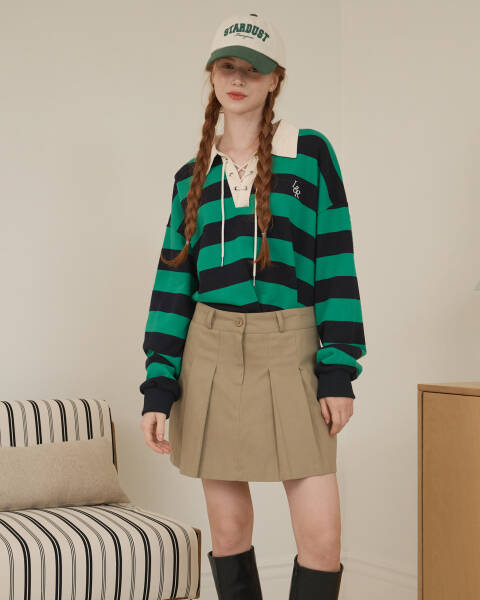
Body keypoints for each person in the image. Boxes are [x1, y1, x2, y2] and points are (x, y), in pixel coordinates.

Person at [139, 12, 366, 600]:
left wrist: (337, 369)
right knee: (229, 531)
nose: (238, 79)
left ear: (275, 79)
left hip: (292, 351)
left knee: (322, 538)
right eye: (227, 67)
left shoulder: (310, 154)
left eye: (253, 69)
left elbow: (335, 261)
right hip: (209, 352)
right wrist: (159, 384)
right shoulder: (191, 177)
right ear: (212, 75)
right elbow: (172, 285)